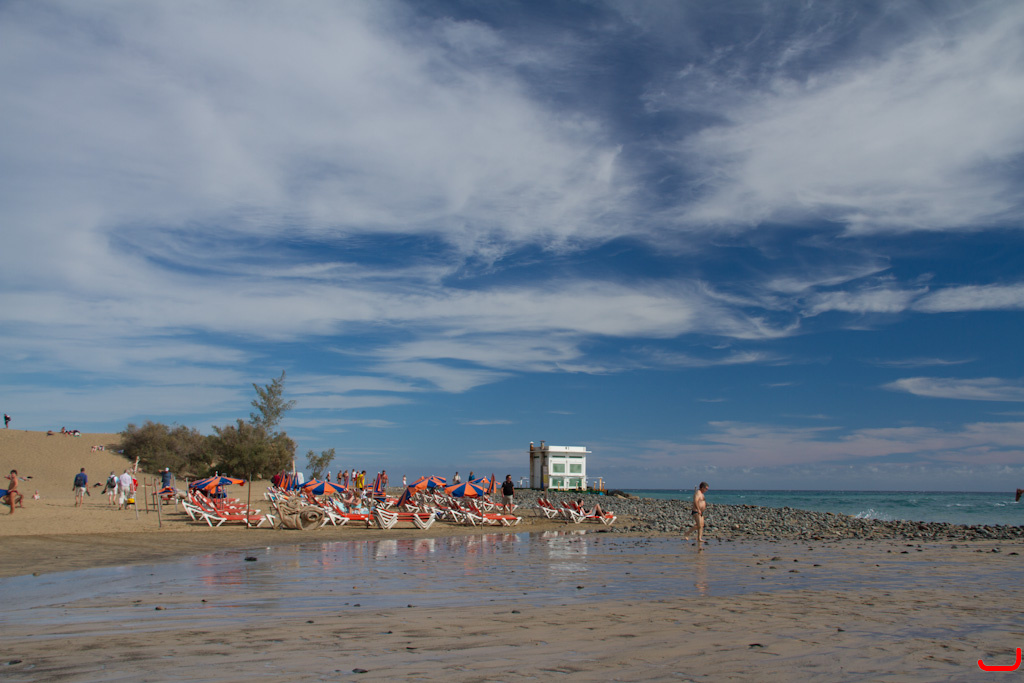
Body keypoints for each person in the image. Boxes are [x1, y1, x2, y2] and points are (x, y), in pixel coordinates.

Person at [684, 482, 710, 546]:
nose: (707, 490)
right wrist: (698, 509)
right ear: (702, 487)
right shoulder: (698, 493)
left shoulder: (702, 494)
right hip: (696, 511)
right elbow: (695, 501)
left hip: (701, 511)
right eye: (706, 488)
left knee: (701, 525)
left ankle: (699, 538)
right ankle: (687, 533)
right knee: (699, 525)